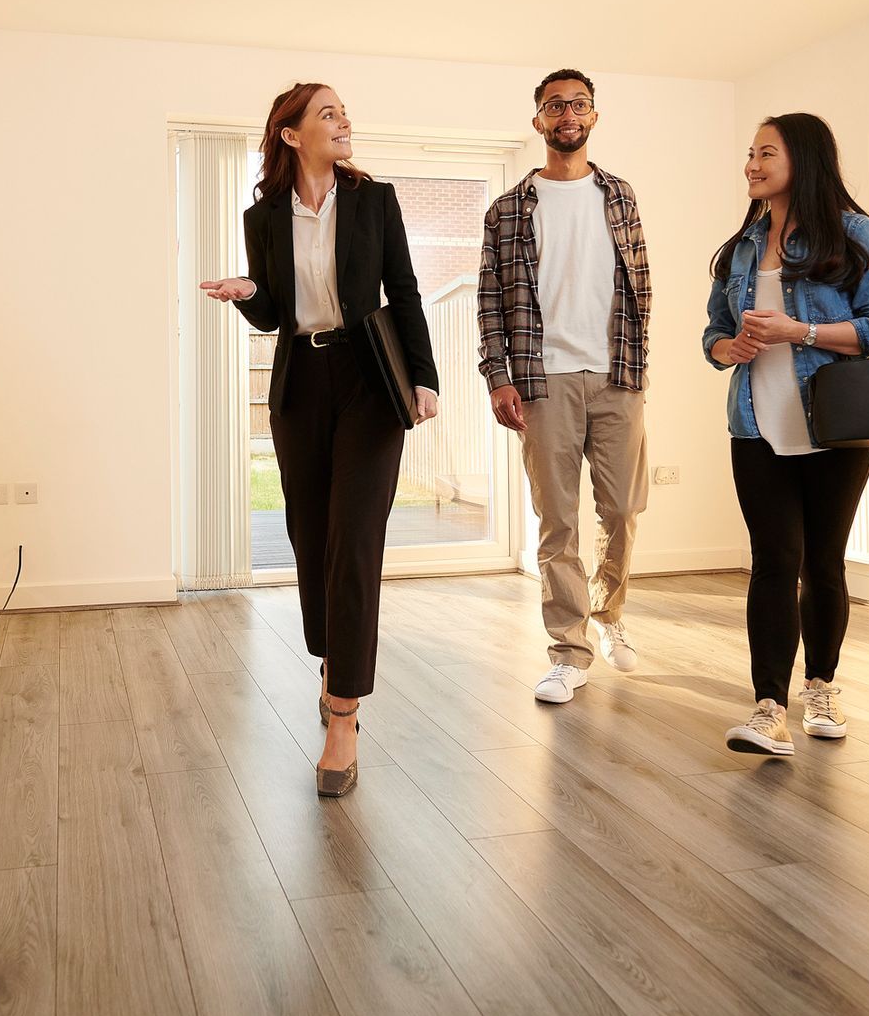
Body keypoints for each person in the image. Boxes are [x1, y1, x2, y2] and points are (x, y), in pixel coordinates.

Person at [200, 82, 438, 796]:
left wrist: (422, 377)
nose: (344, 121)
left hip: (371, 381)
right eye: (327, 113)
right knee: (311, 535)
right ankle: (333, 660)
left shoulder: (374, 200)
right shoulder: (264, 216)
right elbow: (275, 313)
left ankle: (343, 714)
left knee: (356, 540)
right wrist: (249, 294)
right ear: (292, 134)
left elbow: (405, 290)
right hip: (301, 384)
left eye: (343, 111)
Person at [703, 112, 869, 756]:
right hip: (755, 425)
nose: (752, 164)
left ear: (805, 159)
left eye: (766, 152)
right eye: (750, 153)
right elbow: (711, 334)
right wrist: (727, 347)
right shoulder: (741, 247)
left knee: (823, 564)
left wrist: (802, 332)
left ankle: (820, 687)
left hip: (835, 424)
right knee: (773, 561)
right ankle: (768, 707)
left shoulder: (853, 234)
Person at [477, 69, 652, 704]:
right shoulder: (508, 211)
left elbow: (640, 288)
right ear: (539, 122)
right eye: (556, 106)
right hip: (542, 378)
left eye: (579, 104)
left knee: (624, 510)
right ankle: (569, 650)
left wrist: (635, 366)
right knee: (558, 522)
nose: (568, 114)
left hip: (616, 376)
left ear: (594, 117)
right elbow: (491, 302)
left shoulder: (620, 196)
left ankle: (608, 616)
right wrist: (499, 378)